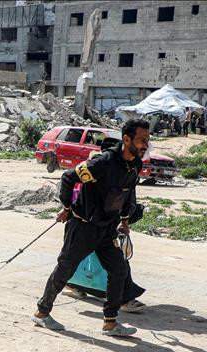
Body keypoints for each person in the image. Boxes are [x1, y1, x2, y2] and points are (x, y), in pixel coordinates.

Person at [32, 119, 149, 336]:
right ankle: (42, 312)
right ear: (126, 140)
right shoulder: (103, 163)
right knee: (65, 269)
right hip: (83, 226)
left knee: (119, 270)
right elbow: (68, 178)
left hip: (107, 228)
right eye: (142, 140)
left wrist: (124, 221)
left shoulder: (135, 166)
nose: (145, 145)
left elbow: (126, 195)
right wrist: (67, 208)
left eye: (147, 140)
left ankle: (110, 323)